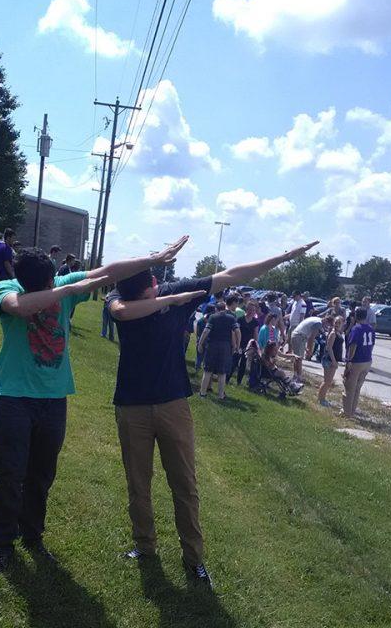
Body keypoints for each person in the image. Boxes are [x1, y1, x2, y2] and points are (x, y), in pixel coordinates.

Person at [107, 240, 318, 587]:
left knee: (185, 486)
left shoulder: (173, 291)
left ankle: (194, 559)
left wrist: (283, 257)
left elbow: (232, 274)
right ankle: (145, 547)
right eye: (153, 291)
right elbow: (120, 313)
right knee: (138, 485)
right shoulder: (119, 300)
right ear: (145, 290)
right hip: (131, 405)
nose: (158, 290)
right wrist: (171, 301)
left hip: (173, 403)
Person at [0, 237, 190, 575]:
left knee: (42, 473)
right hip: (14, 396)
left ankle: (32, 535)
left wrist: (155, 257)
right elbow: (20, 308)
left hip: (53, 398)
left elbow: (109, 270)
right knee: (10, 472)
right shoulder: (7, 288)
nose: (56, 284)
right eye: (51, 283)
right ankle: (0, 544)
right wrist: (68, 290)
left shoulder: (59, 281)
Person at [198, 300, 240, 400]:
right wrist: (237, 345)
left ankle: (203, 393)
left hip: (212, 344)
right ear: (225, 308)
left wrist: (200, 343)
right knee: (222, 372)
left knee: (207, 370)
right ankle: (221, 395)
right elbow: (237, 331)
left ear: (216, 309)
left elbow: (206, 331)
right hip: (225, 346)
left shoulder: (213, 317)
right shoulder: (231, 318)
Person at [341, 306, 375, 418]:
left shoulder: (356, 328)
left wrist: (349, 360)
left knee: (349, 387)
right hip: (367, 360)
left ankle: (347, 413)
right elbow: (372, 344)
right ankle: (352, 410)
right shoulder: (370, 328)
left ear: (356, 316)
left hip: (357, 361)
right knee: (357, 388)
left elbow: (353, 345)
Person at [317, 315, 344, 407]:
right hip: (329, 360)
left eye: (339, 323)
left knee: (328, 381)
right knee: (327, 381)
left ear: (342, 324)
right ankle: (321, 399)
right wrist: (334, 361)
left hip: (333, 359)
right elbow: (329, 348)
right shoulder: (333, 333)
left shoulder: (339, 333)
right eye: (336, 322)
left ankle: (322, 398)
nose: (337, 324)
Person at [233, 299, 260, 385]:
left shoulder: (255, 322)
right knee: (234, 362)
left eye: (254, 310)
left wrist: (254, 346)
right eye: (250, 309)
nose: (252, 311)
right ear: (247, 309)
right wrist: (235, 344)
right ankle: (227, 378)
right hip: (238, 343)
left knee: (243, 364)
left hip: (248, 346)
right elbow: (235, 332)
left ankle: (239, 382)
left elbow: (255, 335)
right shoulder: (240, 319)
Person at [290, 315, 323, 381]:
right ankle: (299, 377)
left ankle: (296, 375)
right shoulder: (319, 324)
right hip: (299, 336)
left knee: (297, 358)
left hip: (298, 335)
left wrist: (306, 349)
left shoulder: (316, 319)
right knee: (299, 358)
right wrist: (310, 350)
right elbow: (311, 338)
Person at [195, 304, 215, 371]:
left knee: (199, 355)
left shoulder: (201, 319)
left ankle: (197, 368)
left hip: (200, 338)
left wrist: (198, 337)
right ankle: (204, 369)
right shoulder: (212, 319)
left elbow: (197, 330)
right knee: (206, 356)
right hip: (208, 340)